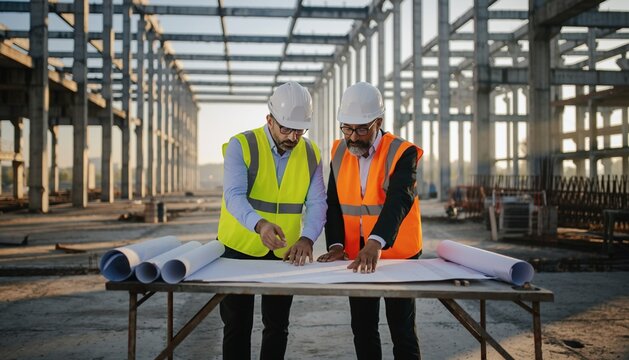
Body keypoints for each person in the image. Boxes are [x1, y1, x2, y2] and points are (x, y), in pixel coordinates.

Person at [218, 81, 327, 359]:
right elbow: (234, 196)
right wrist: (260, 224)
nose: (292, 136)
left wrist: (307, 238)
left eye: (299, 130)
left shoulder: (311, 153)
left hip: (283, 252)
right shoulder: (240, 145)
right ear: (269, 120)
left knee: (277, 326)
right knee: (237, 325)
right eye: (286, 129)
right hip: (238, 248)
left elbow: (316, 203)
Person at [317, 82, 424, 359]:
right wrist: (336, 245)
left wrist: (376, 242)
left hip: (398, 253)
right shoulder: (340, 152)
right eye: (347, 128)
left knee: (402, 330)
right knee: (363, 328)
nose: (352, 136)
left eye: (361, 129)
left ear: (378, 122)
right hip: (356, 253)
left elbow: (399, 200)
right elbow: (334, 202)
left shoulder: (402, 152)